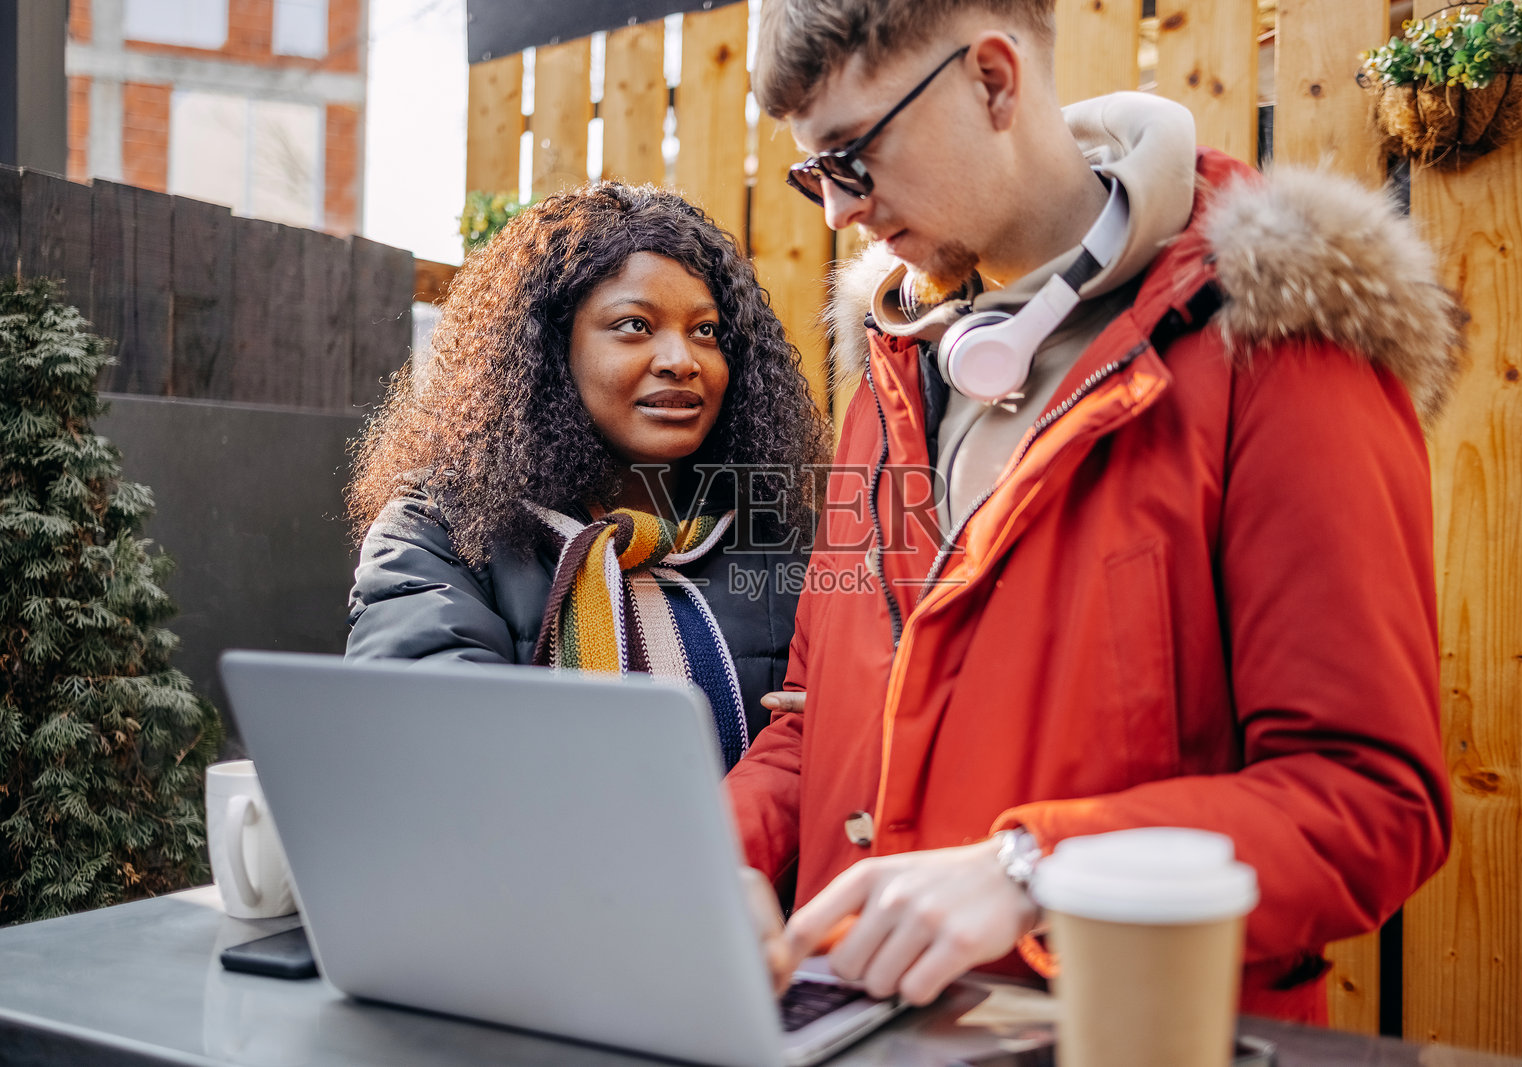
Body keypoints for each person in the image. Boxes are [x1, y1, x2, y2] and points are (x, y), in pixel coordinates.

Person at [730, 0, 1458, 1022]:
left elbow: (1368, 800)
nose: (837, 214)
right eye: (817, 173)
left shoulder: (1273, 337)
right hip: (856, 1029)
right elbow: (814, 716)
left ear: (992, 80)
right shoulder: (892, 364)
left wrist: (1036, 870)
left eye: (853, 156)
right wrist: (716, 848)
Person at [345, 182, 831, 770]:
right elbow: (436, 748)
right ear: (551, 351)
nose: (682, 360)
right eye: (634, 325)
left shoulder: (793, 539)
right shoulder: (438, 534)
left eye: (705, 331)